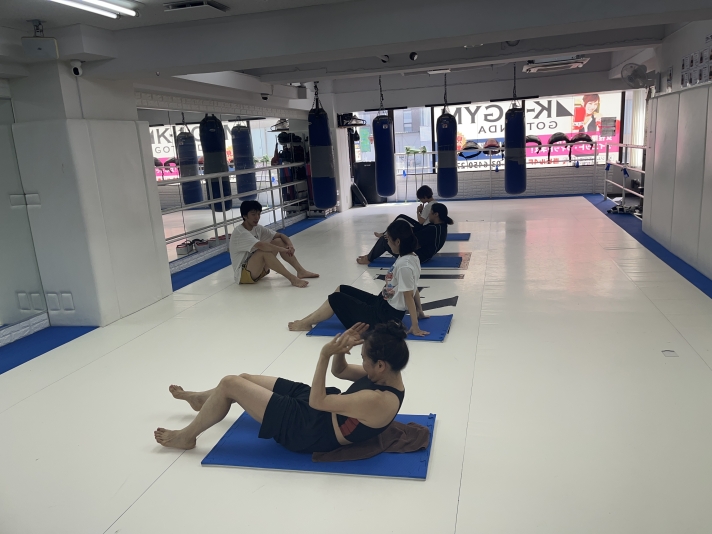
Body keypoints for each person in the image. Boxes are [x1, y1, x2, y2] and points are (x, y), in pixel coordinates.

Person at [154, 322, 407, 453]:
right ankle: (203, 400)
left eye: (363, 359)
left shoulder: (377, 400)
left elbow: (318, 402)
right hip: (318, 410)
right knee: (244, 378)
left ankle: (186, 437)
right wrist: (341, 348)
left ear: (380, 365)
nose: (361, 363)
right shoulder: (385, 376)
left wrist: (324, 354)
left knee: (231, 383)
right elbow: (340, 372)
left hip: (308, 429)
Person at [290, 220, 430, 336]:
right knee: (342, 289)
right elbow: (414, 287)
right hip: (382, 303)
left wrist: (415, 326)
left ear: (398, 242)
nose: (387, 244)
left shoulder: (405, 265)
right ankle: (307, 320)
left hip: (383, 318)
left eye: (388, 240)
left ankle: (305, 323)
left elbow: (408, 295)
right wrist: (420, 311)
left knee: (335, 298)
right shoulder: (411, 257)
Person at [229, 200, 318, 288]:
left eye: (259, 214)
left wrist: (290, 245)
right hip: (243, 275)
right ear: (244, 216)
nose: (257, 217)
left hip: (259, 270)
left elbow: (280, 235)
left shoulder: (257, 228)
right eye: (253, 214)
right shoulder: (240, 233)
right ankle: (292, 279)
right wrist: (284, 250)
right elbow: (262, 246)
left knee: (279, 241)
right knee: (263, 252)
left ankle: (301, 271)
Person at [357, 203, 454, 265]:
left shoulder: (433, 229)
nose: (428, 214)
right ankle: (371, 254)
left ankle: (368, 258)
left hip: (419, 257)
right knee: (401, 218)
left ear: (436, 214)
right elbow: (419, 230)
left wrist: (395, 239)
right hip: (423, 253)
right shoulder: (440, 226)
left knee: (384, 240)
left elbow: (412, 241)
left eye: (430, 212)